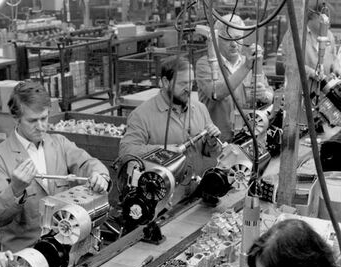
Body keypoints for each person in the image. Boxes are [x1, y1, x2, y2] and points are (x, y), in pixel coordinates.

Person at [0, 80, 110, 252]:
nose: (41, 127)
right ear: (16, 118)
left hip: (65, 245)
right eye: (33, 121)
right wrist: (15, 189)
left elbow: (87, 163)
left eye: (44, 118)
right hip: (27, 253)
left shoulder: (59, 144)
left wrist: (100, 175)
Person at [118, 56, 222, 178]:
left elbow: (212, 153)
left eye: (191, 82)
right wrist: (163, 151)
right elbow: (126, 151)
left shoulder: (200, 109)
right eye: (183, 83)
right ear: (166, 82)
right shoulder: (142, 115)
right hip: (164, 191)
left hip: (195, 189)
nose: (188, 89)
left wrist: (212, 143)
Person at [196, 14, 274, 142]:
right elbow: (218, 92)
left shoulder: (249, 62)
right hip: (218, 142)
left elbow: (270, 95)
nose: (234, 44)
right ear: (216, 39)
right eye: (227, 39)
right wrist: (246, 67)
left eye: (238, 38)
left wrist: (265, 95)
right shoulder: (205, 64)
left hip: (249, 139)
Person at [277, 1, 340, 80]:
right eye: (324, 17)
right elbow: (290, 63)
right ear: (312, 16)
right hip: (300, 89)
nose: (327, 22)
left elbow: (333, 58)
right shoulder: (295, 34)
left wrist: (336, 68)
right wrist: (312, 73)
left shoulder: (329, 35)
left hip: (323, 90)